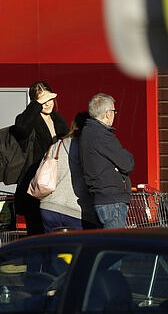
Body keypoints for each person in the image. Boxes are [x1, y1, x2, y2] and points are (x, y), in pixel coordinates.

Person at [14, 81, 70, 236]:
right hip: (37, 182)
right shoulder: (28, 119)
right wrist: (36, 105)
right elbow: (21, 129)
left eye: (49, 99)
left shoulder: (57, 119)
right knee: (36, 230)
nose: (47, 104)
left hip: (57, 183)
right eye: (42, 101)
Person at [79, 93, 134, 229]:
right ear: (108, 114)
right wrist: (123, 157)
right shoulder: (101, 135)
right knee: (115, 245)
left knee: (106, 244)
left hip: (101, 197)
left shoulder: (88, 133)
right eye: (114, 111)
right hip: (112, 199)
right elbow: (127, 164)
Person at [38, 112, 99, 232]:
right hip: (78, 211)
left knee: (54, 249)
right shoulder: (90, 149)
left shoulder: (57, 145)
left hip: (50, 208)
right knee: (79, 250)